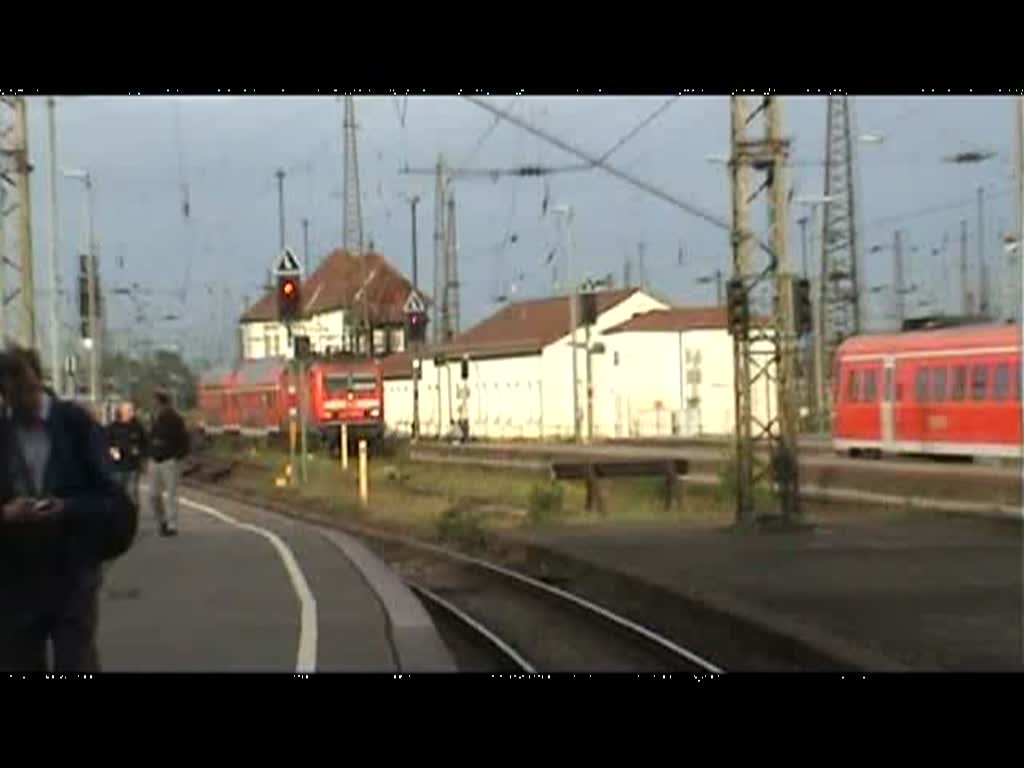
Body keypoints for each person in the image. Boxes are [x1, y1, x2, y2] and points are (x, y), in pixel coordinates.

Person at [0, 346, 137, 672]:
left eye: (24, 393)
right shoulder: (3, 433)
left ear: (36, 382)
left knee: (76, 660)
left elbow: (108, 497)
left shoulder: (75, 425)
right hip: (16, 579)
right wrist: (7, 514)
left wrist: (67, 508)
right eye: (9, 397)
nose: (18, 404)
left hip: (71, 570)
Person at [147, 389, 189, 537]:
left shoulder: (175, 419)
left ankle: (172, 524)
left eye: (154, 401)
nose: (152, 404)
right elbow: (148, 437)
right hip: (154, 460)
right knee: (153, 495)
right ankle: (162, 520)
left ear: (160, 402)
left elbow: (184, 439)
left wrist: (179, 457)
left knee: (171, 494)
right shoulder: (152, 418)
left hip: (169, 460)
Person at [106, 401, 147, 506]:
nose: (132, 413)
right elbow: (106, 443)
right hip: (117, 467)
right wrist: (114, 453)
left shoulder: (138, 427)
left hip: (133, 466)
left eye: (132, 410)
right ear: (122, 412)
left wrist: (140, 452)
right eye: (129, 410)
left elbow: (145, 443)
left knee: (132, 493)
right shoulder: (112, 427)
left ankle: (132, 516)